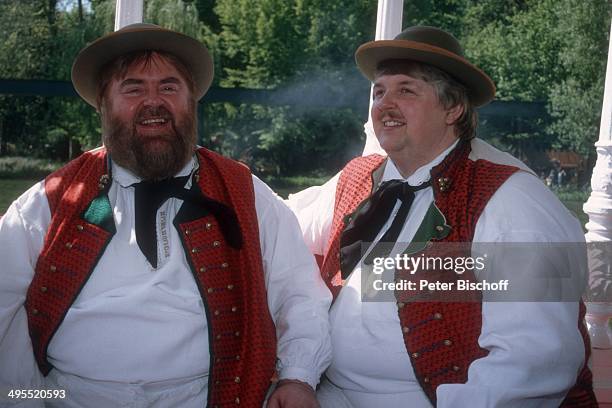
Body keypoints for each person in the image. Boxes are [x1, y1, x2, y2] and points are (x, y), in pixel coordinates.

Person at [0, 24, 331, 408]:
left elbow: (299, 293)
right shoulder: (52, 200)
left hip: (211, 398)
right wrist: (23, 397)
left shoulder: (244, 193)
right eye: (133, 88)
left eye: (169, 87)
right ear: (103, 105)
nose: (153, 101)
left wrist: (298, 376)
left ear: (192, 102)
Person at [287, 26, 596, 407]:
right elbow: (281, 232)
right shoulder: (358, 178)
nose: (385, 104)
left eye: (406, 90)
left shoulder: (511, 200)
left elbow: (534, 361)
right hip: (330, 393)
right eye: (379, 91)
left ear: (453, 108)